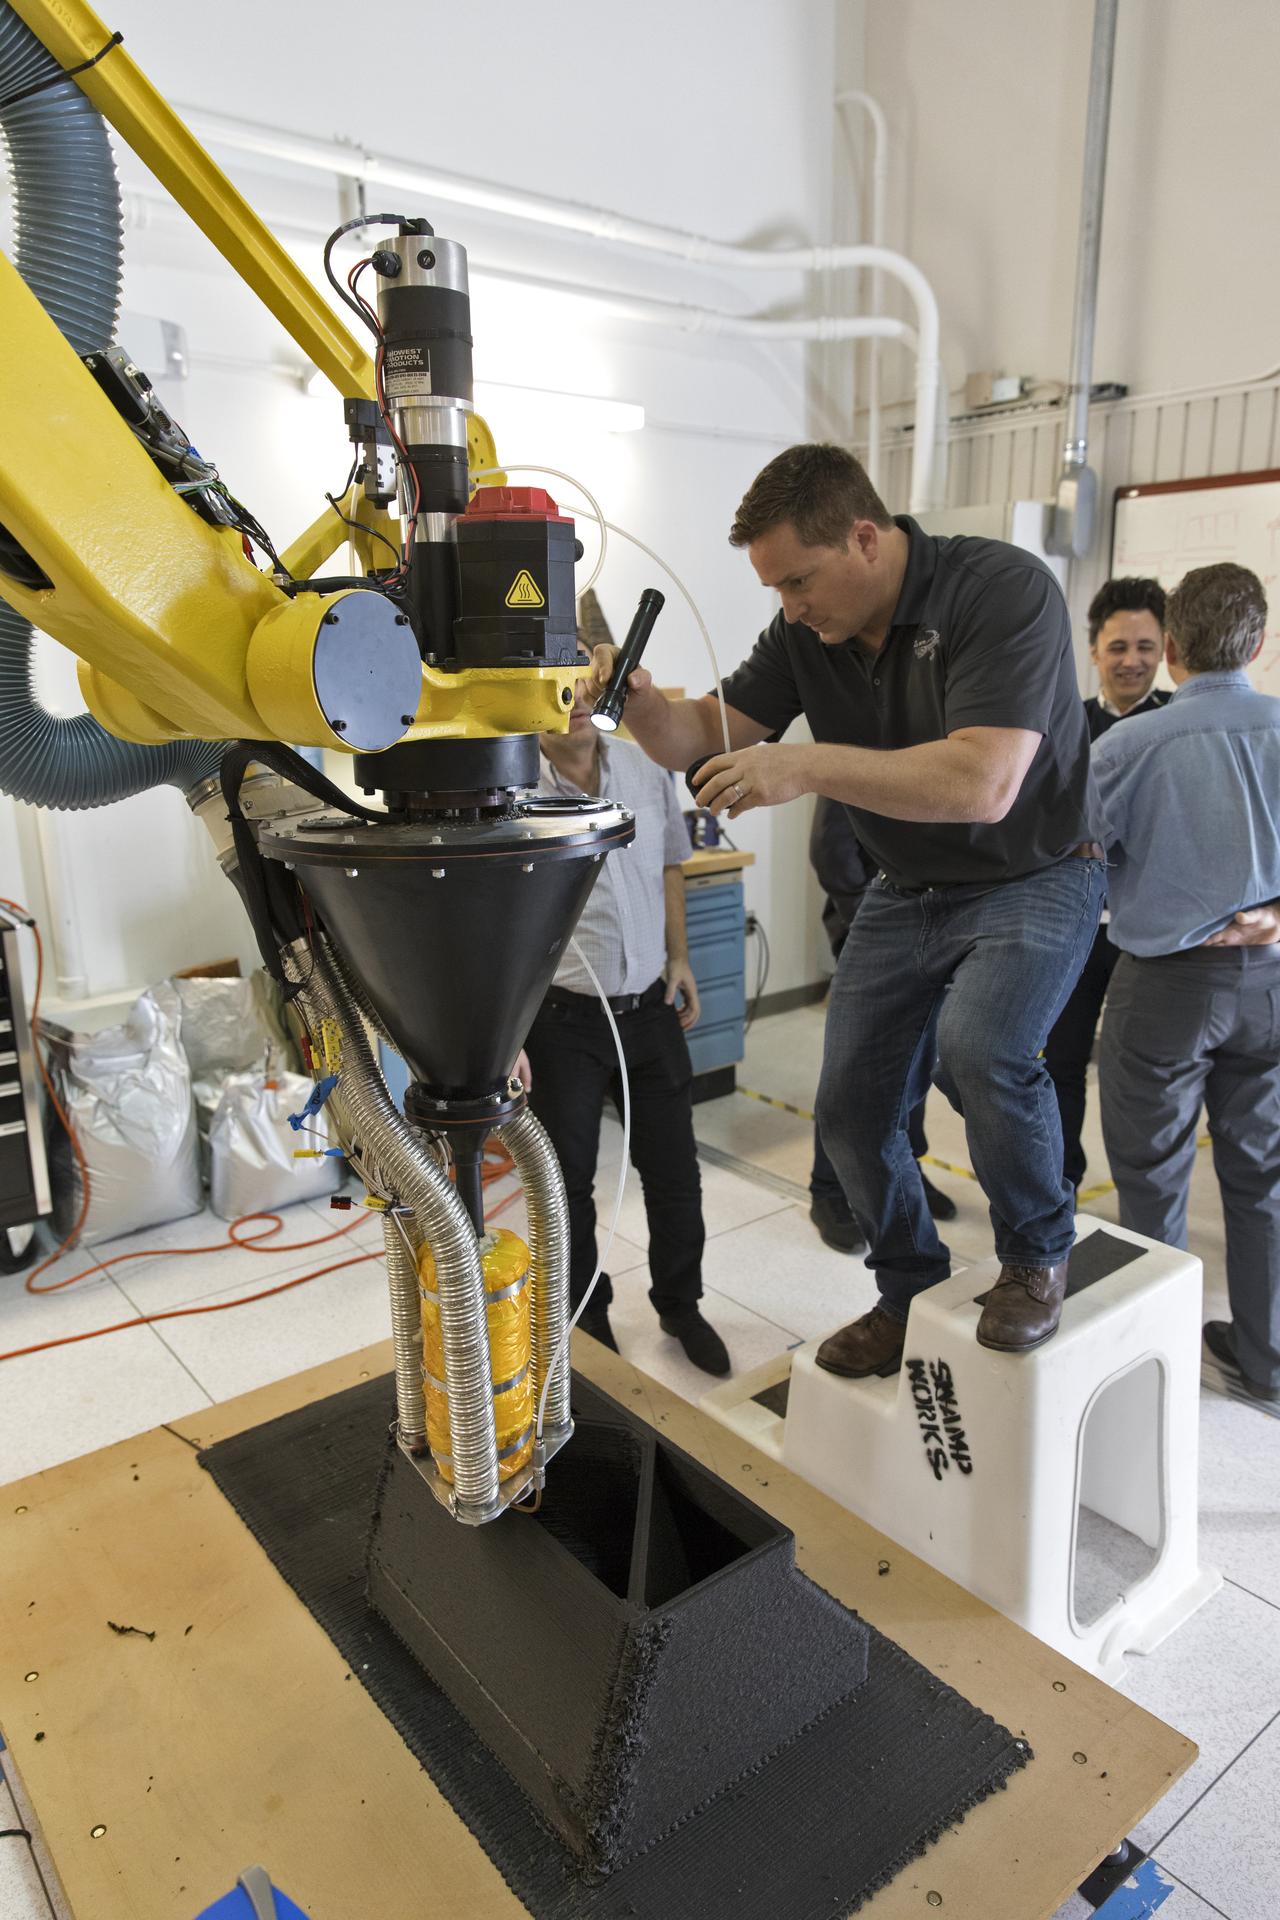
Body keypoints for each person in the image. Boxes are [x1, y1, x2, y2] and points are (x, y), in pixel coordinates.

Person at [585, 443, 1103, 1375]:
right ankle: (906, 1288)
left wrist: (804, 763)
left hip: (1035, 872)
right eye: (777, 589)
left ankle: (1035, 1257)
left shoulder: (1000, 589)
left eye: (799, 581)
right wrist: (642, 708)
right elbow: (704, 735)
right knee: (853, 1112)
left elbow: (984, 781)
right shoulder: (806, 638)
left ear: (864, 538)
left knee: (982, 1049)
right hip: (906, 891)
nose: (789, 607)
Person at [1092, 563, 1280, 1410]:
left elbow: (1071, 862)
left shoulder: (1124, 749)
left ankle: (1151, 1371)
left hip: (1163, 990)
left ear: (1170, 651)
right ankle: (1266, 1356)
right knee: (1264, 1176)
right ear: (1260, 644)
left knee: (1154, 1178)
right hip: (1272, 987)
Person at [519, 654, 731, 1376]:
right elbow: (499, 921)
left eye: (584, 679)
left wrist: (680, 958)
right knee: (568, 1181)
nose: (575, 696)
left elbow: (671, 862)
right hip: (562, 1022)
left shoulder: (646, 769)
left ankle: (681, 1303)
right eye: (557, 683)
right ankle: (589, 1320)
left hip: (647, 1009)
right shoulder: (514, 789)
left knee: (674, 1170)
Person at [1044, 577, 1170, 1191]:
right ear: (1094, 650)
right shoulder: (1064, 724)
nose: (1132, 660)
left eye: (1146, 646)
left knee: (1146, 1074)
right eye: (1118, 646)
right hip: (1077, 929)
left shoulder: (1179, 725)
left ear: (1166, 649)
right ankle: (1062, 1187)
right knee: (1061, 1062)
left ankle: (1146, 1199)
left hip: (1154, 934)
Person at [807, 795, 956, 1253]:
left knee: (915, 1056)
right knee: (854, 1063)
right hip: (875, 924)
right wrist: (872, 919)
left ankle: (906, 1165)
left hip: (939, 924)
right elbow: (830, 851)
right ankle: (829, 1191)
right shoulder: (864, 737)